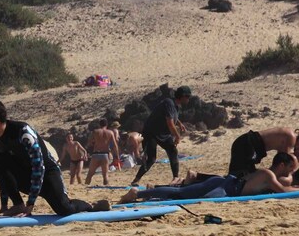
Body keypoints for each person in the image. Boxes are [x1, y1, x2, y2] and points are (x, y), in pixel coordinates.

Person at [0, 98, 109, 217]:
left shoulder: (23, 133)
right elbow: (2, 174)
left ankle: (91, 205)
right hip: (26, 176)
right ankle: (18, 205)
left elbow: (39, 167)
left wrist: (30, 204)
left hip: (47, 174)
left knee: (64, 209)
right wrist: (4, 206)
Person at [119, 152, 298, 203]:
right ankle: (137, 194)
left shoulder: (263, 172)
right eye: (290, 168)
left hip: (224, 182)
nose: (290, 173)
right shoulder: (268, 175)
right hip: (225, 187)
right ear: (281, 165)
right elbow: (282, 191)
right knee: (182, 194)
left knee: (182, 192)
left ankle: (144, 193)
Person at [130, 86, 191, 186]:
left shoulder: (175, 106)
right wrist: (177, 136)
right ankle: (136, 180)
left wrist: (179, 123)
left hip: (163, 134)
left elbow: (172, 116)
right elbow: (170, 123)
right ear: (183, 96)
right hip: (151, 133)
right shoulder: (169, 103)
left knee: (173, 151)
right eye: (188, 97)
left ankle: (175, 178)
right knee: (151, 159)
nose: (189, 99)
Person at [227, 127, 299, 178]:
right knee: (238, 178)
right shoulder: (291, 138)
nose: (296, 151)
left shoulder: (290, 135)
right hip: (248, 144)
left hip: (246, 142)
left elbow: (278, 164)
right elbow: (282, 164)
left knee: (241, 175)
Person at [85, 119, 119, 185]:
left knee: (90, 174)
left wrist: (93, 144)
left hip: (96, 154)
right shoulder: (110, 132)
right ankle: (106, 188)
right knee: (105, 175)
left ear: (99, 124)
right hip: (105, 154)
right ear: (107, 125)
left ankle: (85, 187)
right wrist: (117, 156)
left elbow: (89, 143)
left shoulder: (95, 131)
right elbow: (115, 146)